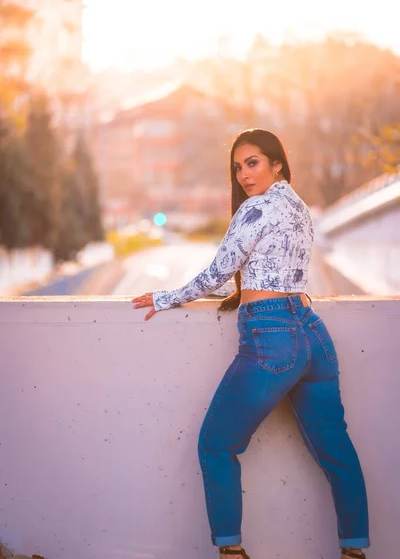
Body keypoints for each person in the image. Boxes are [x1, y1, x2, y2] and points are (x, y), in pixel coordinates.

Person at [132, 129, 370, 559]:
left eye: (253, 162)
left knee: (215, 445)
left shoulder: (256, 209)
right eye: (238, 166)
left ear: (277, 162)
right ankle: (354, 550)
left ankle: (231, 553)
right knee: (337, 453)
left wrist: (165, 297)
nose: (243, 174)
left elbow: (216, 274)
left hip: (271, 337)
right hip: (313, 335)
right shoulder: (299, 206)